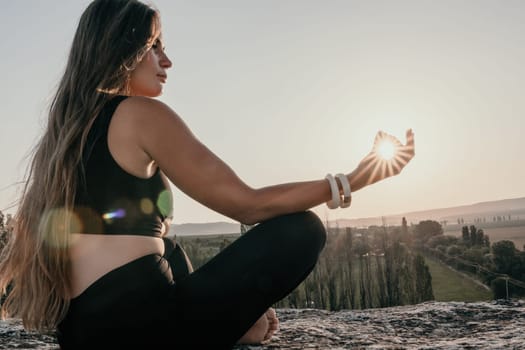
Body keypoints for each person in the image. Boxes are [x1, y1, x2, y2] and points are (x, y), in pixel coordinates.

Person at [0, 0, 415, 349]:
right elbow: (248, 205)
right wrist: (355, 179)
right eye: (153, 46)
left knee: (171, 249)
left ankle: (235, 325)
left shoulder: (67, 132)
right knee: (301, 230)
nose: (167, 61)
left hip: (82, 331)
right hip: (141, 329)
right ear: (121, 50)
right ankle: (240, 328)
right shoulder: (139, 114)